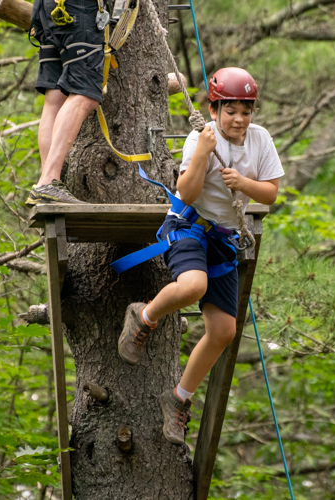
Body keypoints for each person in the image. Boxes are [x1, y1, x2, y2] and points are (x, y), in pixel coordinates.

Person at [117, 68, 284, 445]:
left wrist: (243, 184)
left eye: (246, 111)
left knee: (224, 331)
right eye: (231, 111)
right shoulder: (200, 138)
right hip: (190, 226)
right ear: (214, 109)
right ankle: (143, 317)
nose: (239, 119)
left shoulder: (260, 140)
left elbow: (270, 194)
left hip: (223, 238)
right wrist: (205, 154)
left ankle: (177, 398)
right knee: (193, 285)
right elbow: (187, 193)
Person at [25, 0, 107, 206]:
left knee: (56, 98)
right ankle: (48, 180)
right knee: (85, 94)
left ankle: (47, 184)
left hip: (48, 8)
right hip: (77, 9)